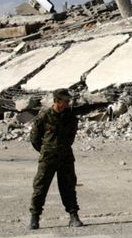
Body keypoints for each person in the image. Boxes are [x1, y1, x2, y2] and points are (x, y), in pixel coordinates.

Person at [28, 88, 84, 229]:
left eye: (68, 101)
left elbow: (72, 135)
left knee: (68, 187)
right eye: (65, 101)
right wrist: (46, 150)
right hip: (48, 157)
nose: (67, 103)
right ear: (57, 101)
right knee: (40, 187)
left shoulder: (70, 116)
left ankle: (73, 216)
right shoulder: (44, 116)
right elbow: (34, 138)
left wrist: (62, 147)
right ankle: (34, 218)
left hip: (65, 157)